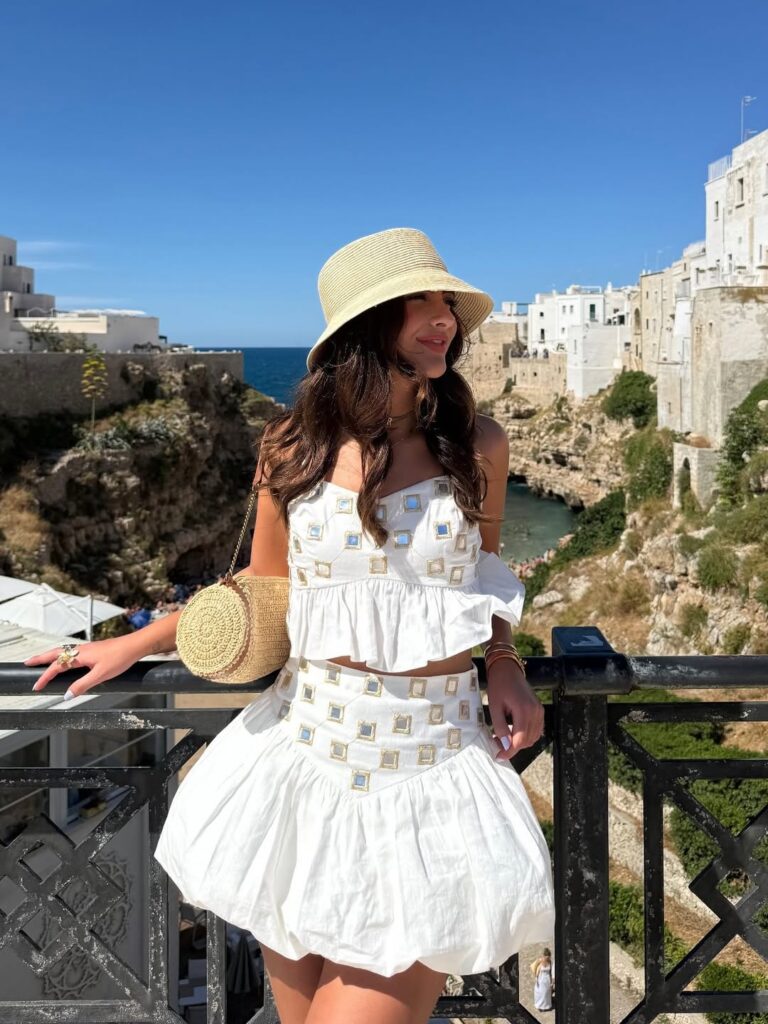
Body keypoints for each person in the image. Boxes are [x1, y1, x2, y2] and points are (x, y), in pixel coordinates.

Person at [26, 227, 556, 1024]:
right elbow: (262, 586)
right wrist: (131, 642)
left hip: (428, 769)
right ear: (363, 327)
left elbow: (484, 576)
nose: (443, 316)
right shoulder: (291, 445)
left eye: (446, 300)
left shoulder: (477, 446)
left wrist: (505, 659)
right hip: (303, 766)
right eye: (416, 301)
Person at [531, 947, 554, 1011]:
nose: (548, 958)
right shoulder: (540, 960)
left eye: (549, 957)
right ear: (544, 955)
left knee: (546, 993)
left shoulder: (550, 962)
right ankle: (540, 1005)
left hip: (547, 979)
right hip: (541, 978)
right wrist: (536, 976)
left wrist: (552, 981)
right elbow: (535, 967)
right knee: (541, 992)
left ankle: (546, 1006)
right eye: (547, 957)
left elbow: (551, 972)